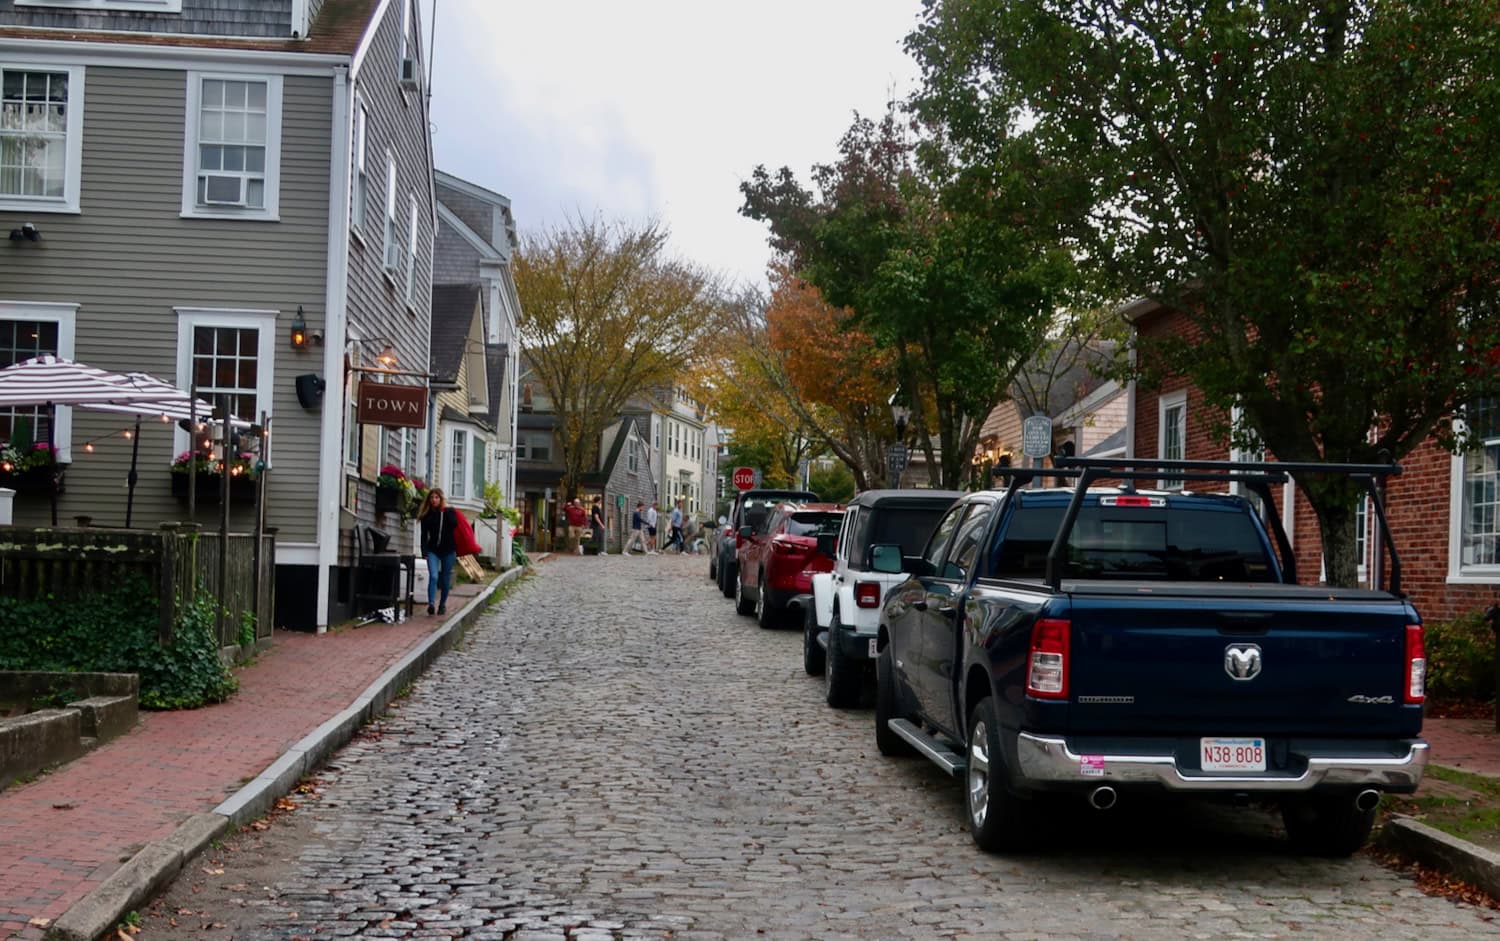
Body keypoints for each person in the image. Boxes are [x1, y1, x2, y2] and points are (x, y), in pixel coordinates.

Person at [418, 488, 460, 616]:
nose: (434, 500)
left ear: (441, 499)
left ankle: (442, 604)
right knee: (434, 576)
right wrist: (424, 552)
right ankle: (431, 604)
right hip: (433, 550)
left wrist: (446, 511)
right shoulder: (427, 516)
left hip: (448, 550)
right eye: (432, 498)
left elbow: (454, 524)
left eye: (436, 498)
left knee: (445, 580)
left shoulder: (449, 512)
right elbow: (424, 535)